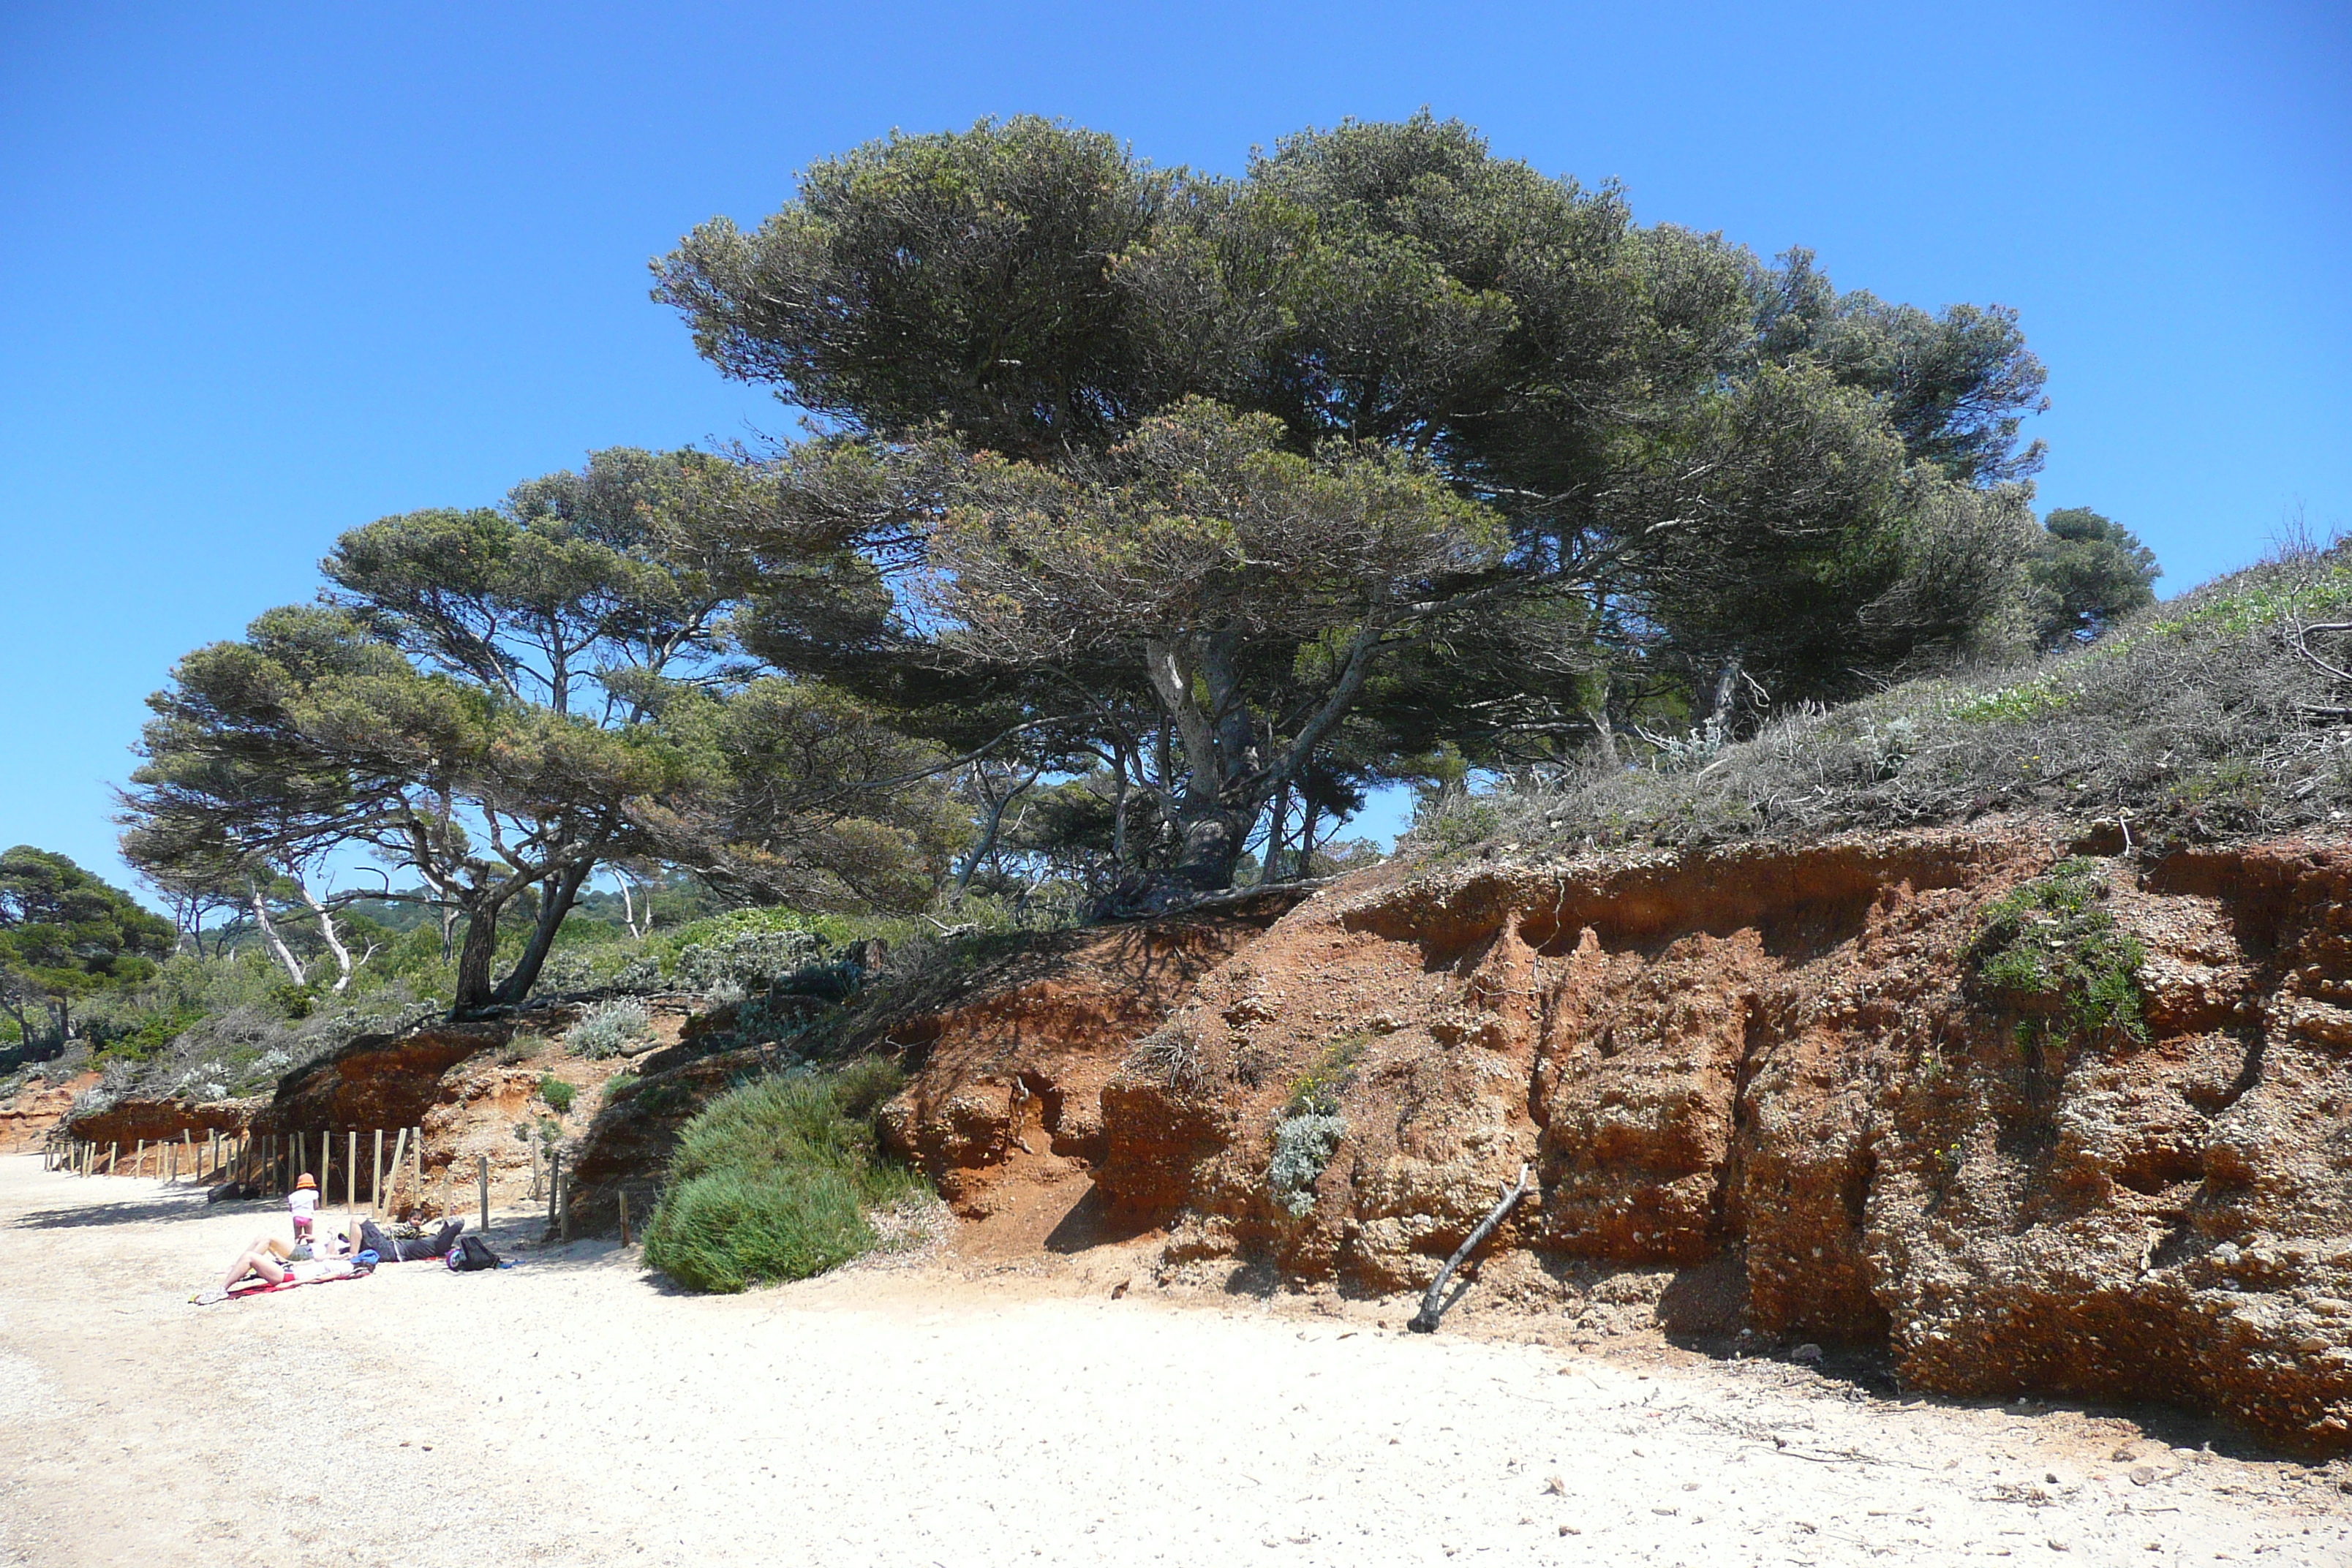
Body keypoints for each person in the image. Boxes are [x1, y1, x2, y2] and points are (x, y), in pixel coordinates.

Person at [195, 1228, 358, 1305]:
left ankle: (222, 1289)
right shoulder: (337, 1260)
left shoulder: (345, 1267)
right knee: (261, 1241)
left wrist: (293, 1283)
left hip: (287, 1276)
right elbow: (312, 1262)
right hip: (289, 1269)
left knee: (250, 1257)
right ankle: (229, 1278)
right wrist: (287, 1262)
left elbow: (322, 1278)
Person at [357, 1215, 464, 1262]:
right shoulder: (435, 1240)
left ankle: (352, 1252)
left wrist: (458, 1220)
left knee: (358, 1220)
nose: (443, 1228)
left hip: (391, 1250)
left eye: (446, 1227)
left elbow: (459, 1224)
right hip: (390, 1247)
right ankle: (351, 1249)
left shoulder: (440, 1244)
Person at [288, 1172, 319, 1243]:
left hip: (296, 1217)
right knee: (309, 1236)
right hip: (308, 1217)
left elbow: (290, 1209)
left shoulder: (292, 1195)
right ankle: (309, 1249)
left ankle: (297, 1249)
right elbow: (316, 1207)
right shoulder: (314, 1194)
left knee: (297, 1237)